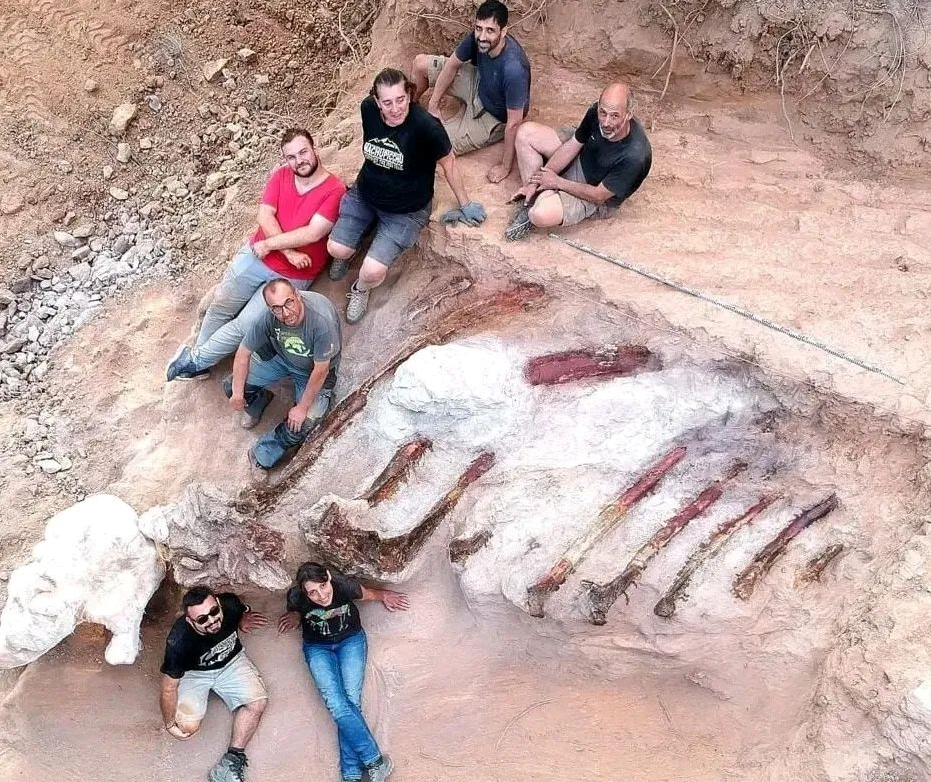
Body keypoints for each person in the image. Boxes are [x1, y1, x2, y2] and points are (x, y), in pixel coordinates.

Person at [166, 128, 345, 381]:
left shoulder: (334, 189)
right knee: (221, 305)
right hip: (258, 254)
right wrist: (287, 251)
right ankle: (203, 362)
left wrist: (273, 246)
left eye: (303, 152)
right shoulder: (281, 175)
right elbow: (264, 215)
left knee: (246, 325)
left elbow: (314, 233)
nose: (299, 161)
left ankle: (195, 361)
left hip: (291, 274)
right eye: (291, 157)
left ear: (314, 149)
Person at [326, 68, 486, 325]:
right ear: (377, 101)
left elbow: (450, 163)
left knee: (372, 271)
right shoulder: (368, 109)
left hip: (406, 210)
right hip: (366, 193)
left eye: (400, 100)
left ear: (410, 94)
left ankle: (361, 288)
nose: (395, 108)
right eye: (387, 102)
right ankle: (354, 245)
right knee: (336, 249)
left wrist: (465, 204)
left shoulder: (426, 127)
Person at [278, 562, 409, 782]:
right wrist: (296, 617)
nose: (320, 595)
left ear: (328, 577)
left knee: (350, 702)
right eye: (312, 592)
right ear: (304, 592)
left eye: (322, 586)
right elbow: (296, 611)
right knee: (337, 704)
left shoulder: (344, 586)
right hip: (318, 648)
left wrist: (384, 595)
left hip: (351, 642)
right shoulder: (296, 597)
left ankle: (351, 774)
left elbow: (367, 594)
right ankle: (375, 761)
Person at [505, 82, 652, 241]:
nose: (606, 122)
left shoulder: (635, 156)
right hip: (582, 158)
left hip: (594, 192)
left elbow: (599, 196)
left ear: (629, 114)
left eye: (615, 115)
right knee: (526, 133)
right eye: (603, 113)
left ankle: (535, 202)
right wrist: (536, 181)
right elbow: (574, 144)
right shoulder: (596, 112)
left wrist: (557, 182)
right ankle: (534, 192)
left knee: (539, 214)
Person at [225, 278, 341, 476]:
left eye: (289, 303)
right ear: (270, 308)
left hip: (312, 371)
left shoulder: (320, 321)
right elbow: (243, 353)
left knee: (301, 425)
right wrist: (237, 393)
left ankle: (261, 454)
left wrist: (302, 408)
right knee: (232, 384)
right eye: (277, 308)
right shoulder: (269, 318)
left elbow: (321, 370)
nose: (286, 313)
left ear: (297, 294)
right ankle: (259, 402)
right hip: (282, 359)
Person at [410, 0, 531, 183]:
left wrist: (505, 167)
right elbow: (451, 66)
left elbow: (514, 123)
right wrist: (433, 106)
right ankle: (412, 105)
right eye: (479, 28)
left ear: (503, 31)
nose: (482, 36)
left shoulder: (514, 70)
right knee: (420, 63)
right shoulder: (478, 39)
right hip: (479, 82)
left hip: (493, 116)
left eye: (490, 30)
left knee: (427, 142)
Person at [160, 587, 269, 782]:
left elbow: (242, 607)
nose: (211, 620)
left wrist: (242, 619)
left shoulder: (230, 604)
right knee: (185, 728)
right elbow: (168, 687)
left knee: (257, 703)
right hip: (195, 674)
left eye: (213, 612)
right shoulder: (178, 641)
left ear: (218, 604)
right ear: (189, 621)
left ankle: (230, 762)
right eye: (201, 619)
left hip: (231, 661)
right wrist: (169, 724)